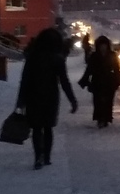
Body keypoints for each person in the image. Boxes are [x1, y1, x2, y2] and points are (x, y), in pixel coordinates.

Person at [16, 27, 77, 168]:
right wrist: (72, 100)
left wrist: (20, 100)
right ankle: (47, 157)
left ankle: (38, 156)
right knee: (48, 128)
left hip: (33, 96)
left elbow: (25, 79)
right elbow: (64, 81)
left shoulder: (32, 57)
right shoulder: (58, 59)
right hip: (51, 96)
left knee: (37, 128)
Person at [77, 35, 120, 128]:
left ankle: (106, 118)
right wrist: (85, 80)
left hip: (109, 81)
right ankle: (99, 118)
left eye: (104, 45)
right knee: (97, 101)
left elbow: (116, 69)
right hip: (97, 81)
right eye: (101, 45)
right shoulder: (94, 56)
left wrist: (119, 79)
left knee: (108, 101)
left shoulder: (112, 55)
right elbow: (89, 69)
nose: (103, 47)